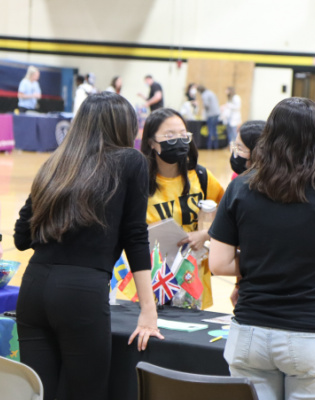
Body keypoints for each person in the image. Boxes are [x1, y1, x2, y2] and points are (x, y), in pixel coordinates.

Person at [208, 97, 315, 400]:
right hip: (314, 337)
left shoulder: (240, 187)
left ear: (269, 136)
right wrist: (312, 264)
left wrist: (263, 261)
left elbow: (218, 263)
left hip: (250, 334)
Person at [14, 92, 163, 400]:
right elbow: (135, 237)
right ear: (122, 126)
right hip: (81, 292)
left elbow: (20, 237)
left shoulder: (55, 164)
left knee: (38, 393)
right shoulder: (130, 160)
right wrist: (148, 309)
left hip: (33, 286)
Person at [141, 108, 224, 310]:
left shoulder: (201, 177)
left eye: (182, 135)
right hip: (153, 279)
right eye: (169, 136)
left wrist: (206, 234)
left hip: (192, 279)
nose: (178, 141)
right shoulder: (139, 182)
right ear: (152, 142)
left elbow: (232, 215)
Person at [198, 85, 221, 150]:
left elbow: (206, 105)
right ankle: (216, 146)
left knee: (210, 130)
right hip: (217, 113)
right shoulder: (211, 92)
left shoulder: (204, 95)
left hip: (211, 114)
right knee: (215, 130)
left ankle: (209, 146)